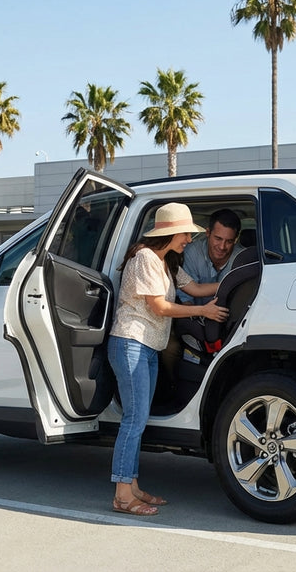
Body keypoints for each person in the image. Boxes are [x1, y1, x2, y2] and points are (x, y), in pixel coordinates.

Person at [108, 202, 228, 516]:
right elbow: (159, 307)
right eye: (186, 233)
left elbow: (199, 288)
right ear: (170, 232)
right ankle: (122, 495)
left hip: (148, 346)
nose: (189, 239)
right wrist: (202, 310)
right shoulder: (146, 258)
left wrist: (238, 281)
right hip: (130, 343)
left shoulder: (168, 262)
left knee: (138, 419)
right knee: (133, 420)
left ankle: (132, 487)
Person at [177, 208, 241, 304]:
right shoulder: (191, 253)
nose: (222, 247)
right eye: (218, 238)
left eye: (229, 241)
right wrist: (197, 315)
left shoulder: (242, 259)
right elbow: (186, 298)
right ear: (207, 233)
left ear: (236, 239)